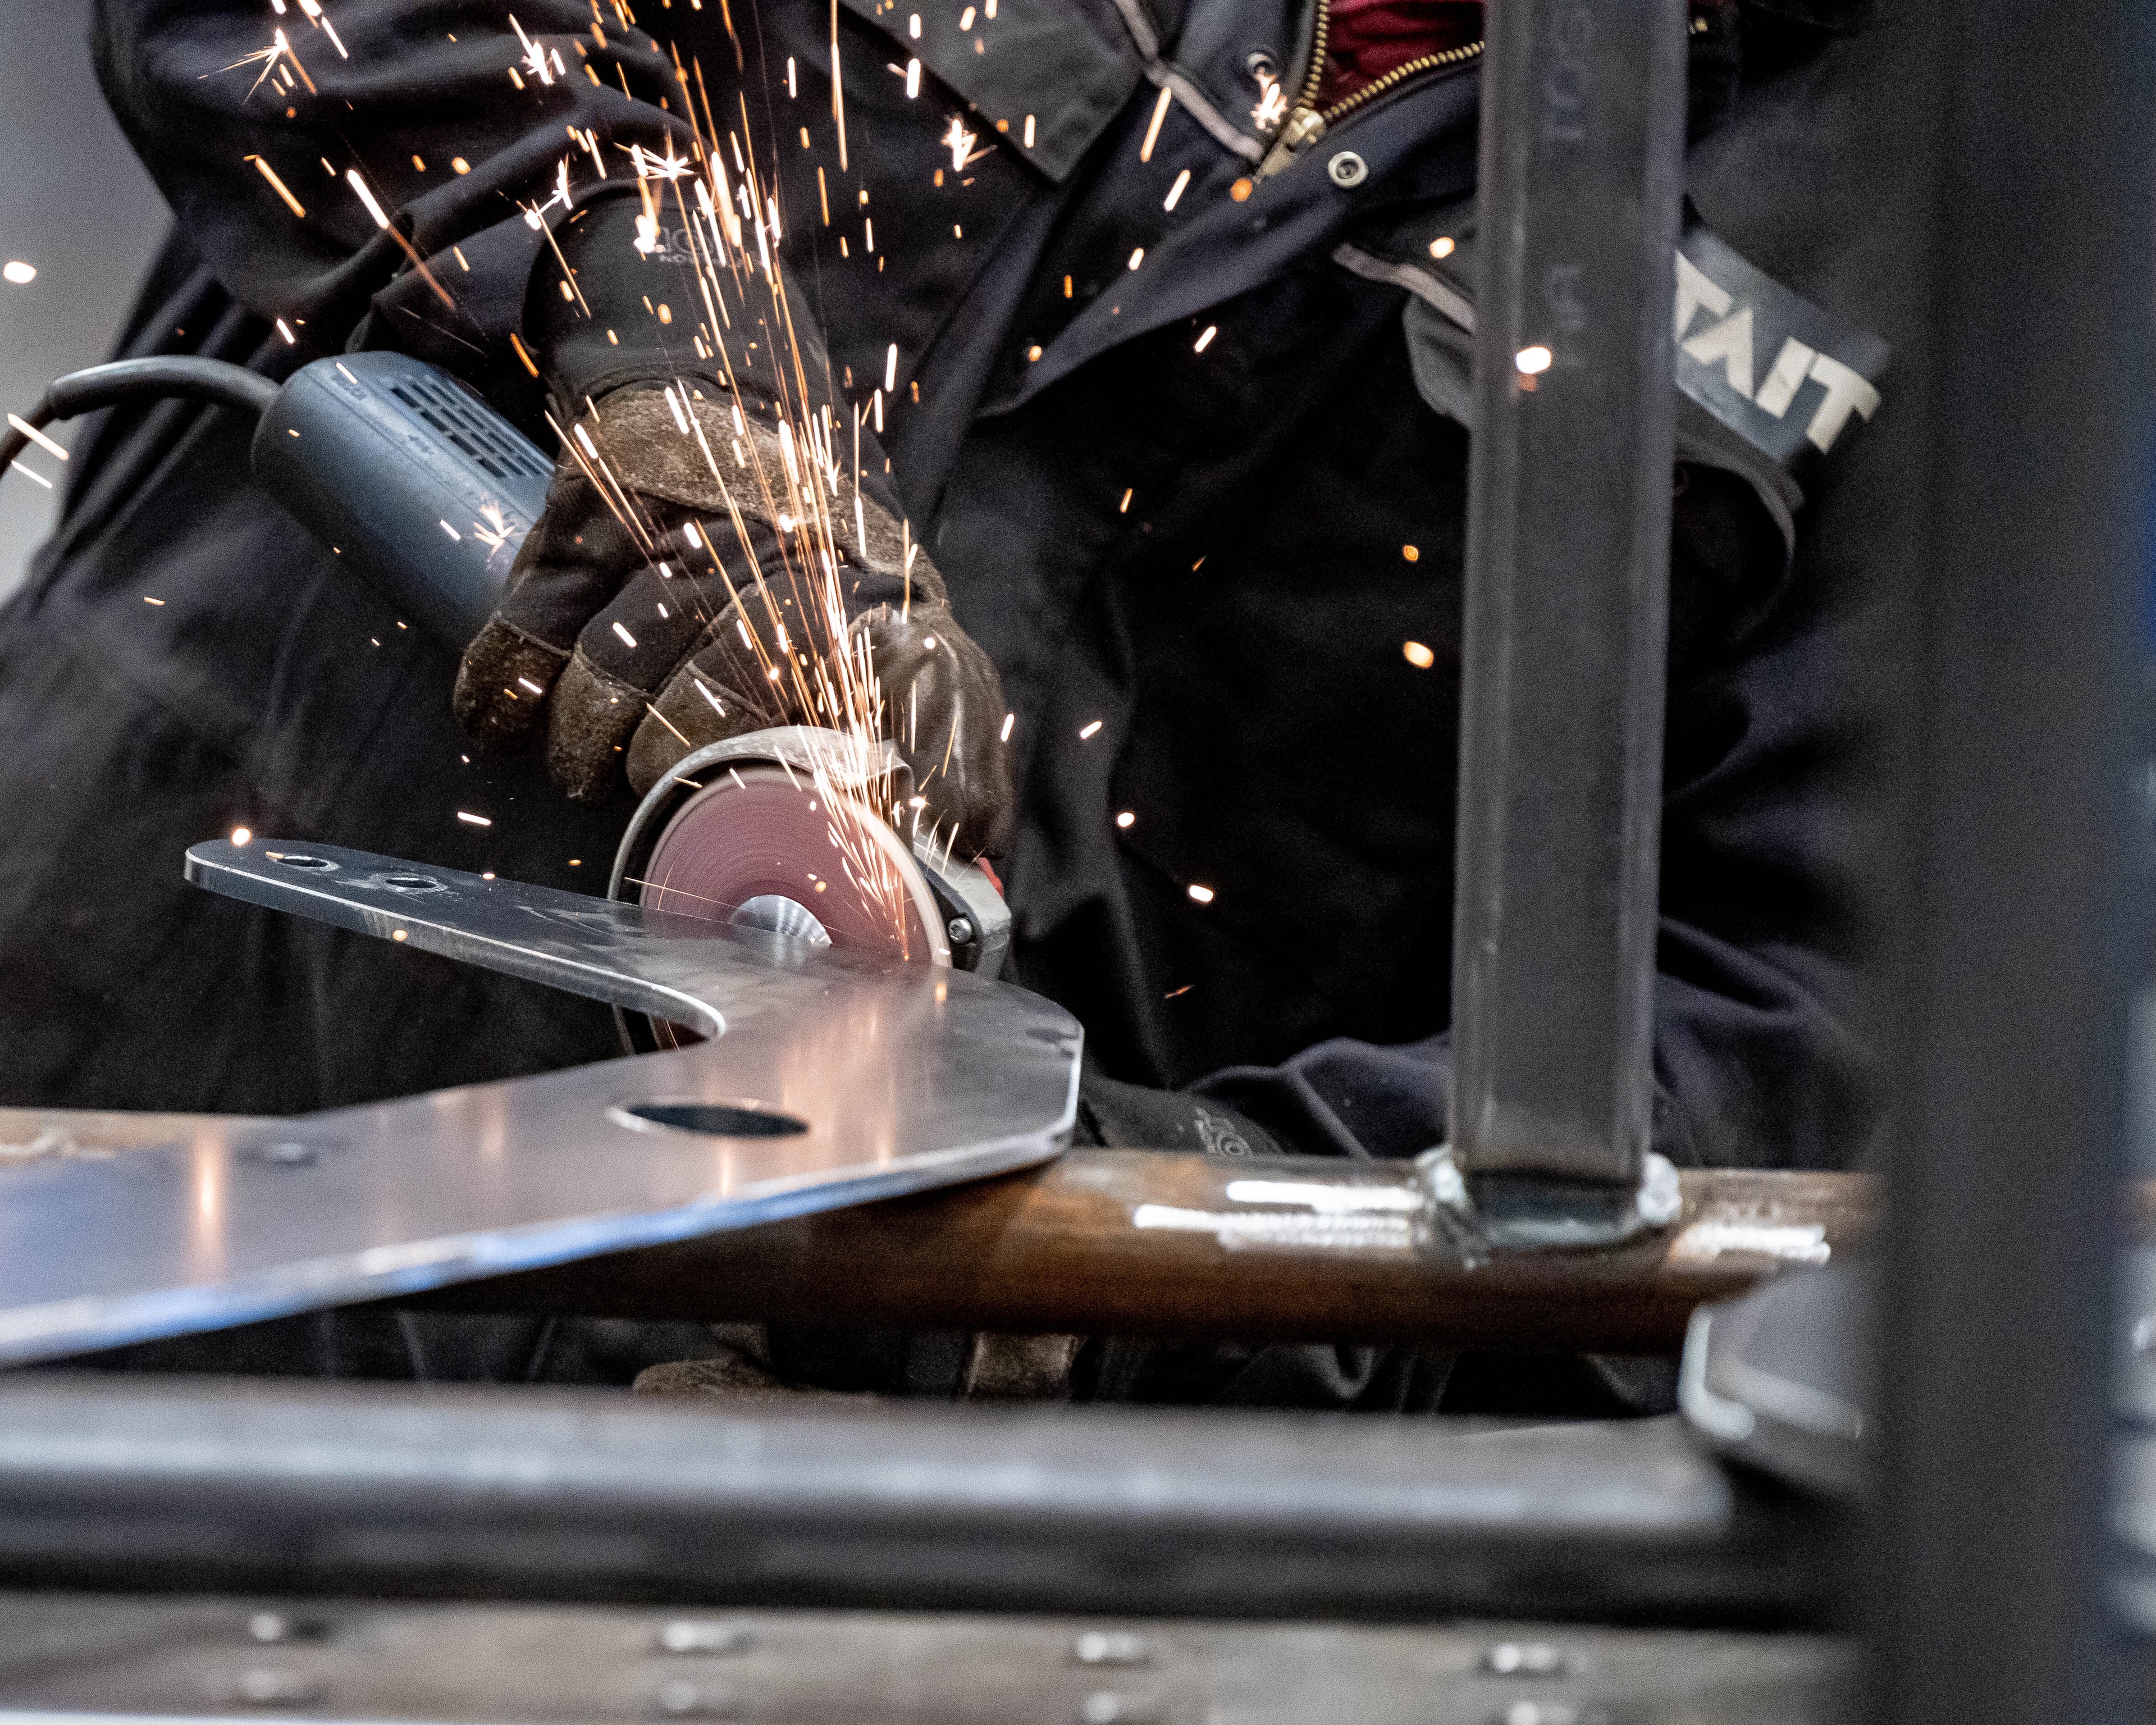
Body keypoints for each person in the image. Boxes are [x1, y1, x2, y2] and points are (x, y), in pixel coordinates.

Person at [0, 0, 1896, 1405]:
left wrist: (1139, 1263)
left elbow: (1790, 1040)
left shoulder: (1946, 216)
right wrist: (641, 311)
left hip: (843, 1444)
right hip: (138, 1078)